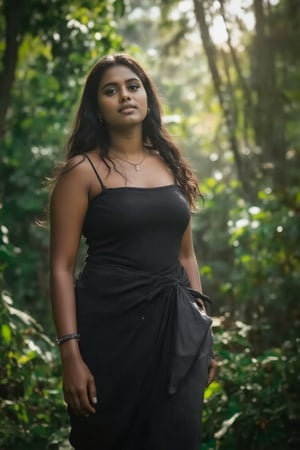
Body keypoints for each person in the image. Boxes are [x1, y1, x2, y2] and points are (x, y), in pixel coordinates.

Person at [49, 53, 217, 450]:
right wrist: (70, 355)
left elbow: (186, 257)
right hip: (109, 333)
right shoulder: (82, 172)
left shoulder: (171, 165)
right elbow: (60, 268)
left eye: (133, 86)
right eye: (111, 90)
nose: (124, 95)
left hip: (174, 331)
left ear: (146, 98)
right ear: (98, 107)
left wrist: (202, 334)